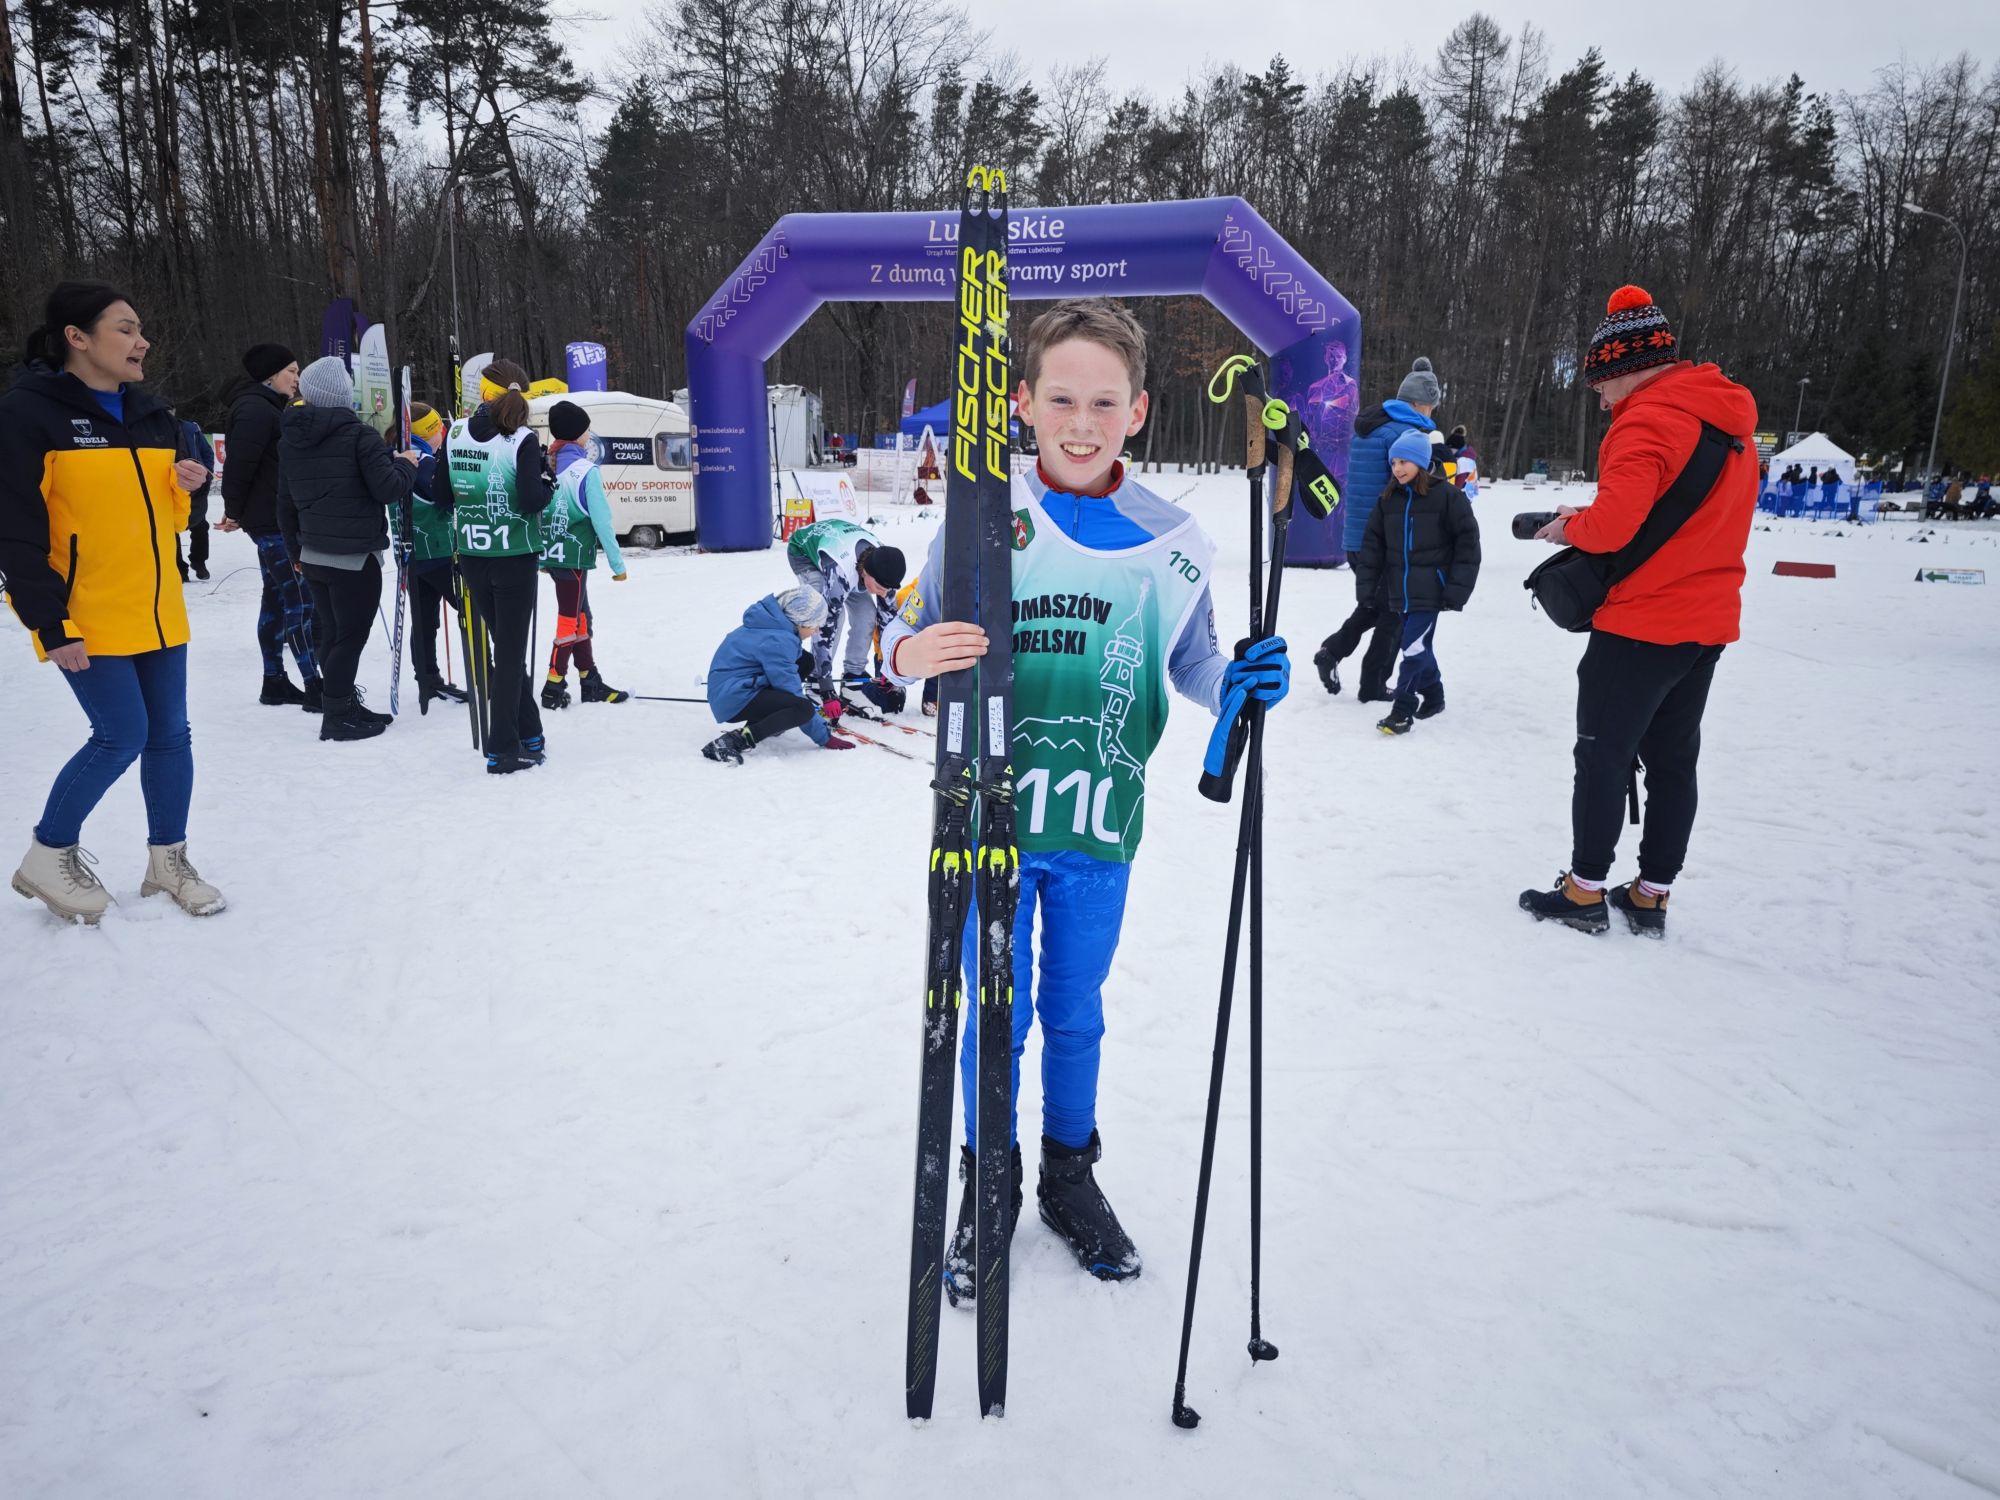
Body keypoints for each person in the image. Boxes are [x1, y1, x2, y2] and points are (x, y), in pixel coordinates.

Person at [880, 298, 1290, 1297]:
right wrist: (907, 655)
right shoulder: (980, 516)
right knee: (995, 1013)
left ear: (1137, 411)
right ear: (1022, 403)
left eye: (1104, 401)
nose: (1080, 420)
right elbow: (905, 632)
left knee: (1073, 1011)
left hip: (1100, 823)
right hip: (987, 820)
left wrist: (1238, 685)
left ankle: (1068, 1174)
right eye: (1060, 398)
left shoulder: (1171, 540)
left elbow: (1191, 663)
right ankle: (990, 1177)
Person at [1519, 285, 1758, 938]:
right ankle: (1651, 894)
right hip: (1706, 623)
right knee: (1674, 763)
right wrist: (1592, 515)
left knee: (1603, 755)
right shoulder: (1727, 421)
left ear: (1628, 367)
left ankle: (1583, 891)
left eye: (1601, 384)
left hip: (1642, 625)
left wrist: (1571, 528)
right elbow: (1681, 517)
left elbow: (1613, 528)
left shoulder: (1649, 421)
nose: (1601, 400)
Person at [1, 281, 226, 921]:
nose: (141, 341)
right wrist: (51, 623)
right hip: (85, 615)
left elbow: (169, 523)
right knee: (122, 734)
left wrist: (185, 488)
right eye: (125, 329)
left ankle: (167, 861)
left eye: (139, 329)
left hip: (158, 609)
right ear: (77, 337)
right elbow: (16, 533)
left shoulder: (153, 414)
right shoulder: (27, 414)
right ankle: (48, 853)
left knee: (171, 736)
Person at [275, 357, 423, 742]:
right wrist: (407, 465)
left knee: (333, 633)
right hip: (354, 557)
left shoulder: (291, 439)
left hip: (314, 554)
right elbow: (388, 488)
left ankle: (340, 703)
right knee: (350, 636)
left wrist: (295, 552)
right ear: (345, 395)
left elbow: (285, 503)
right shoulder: (360, 436)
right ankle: (337, 715)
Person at [432, 358, 554, 774]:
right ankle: (502, 747)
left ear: (482, 393)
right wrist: (548, 482)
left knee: (507, 647)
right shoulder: (521, 439)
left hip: (474, 556)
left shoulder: (456, 432)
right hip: (513, 556)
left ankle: (530, 730)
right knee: (509, 653)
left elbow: (441, 495)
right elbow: (532, 499)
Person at [1314, 356, 1447, 701]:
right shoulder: (1405, 434)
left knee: (1375, 606)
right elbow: (1412, 486)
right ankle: (1373, 685)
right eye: (1430, 407)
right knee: (1396, 613)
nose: (1431, 413)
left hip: (1357, 538)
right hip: (1386, 541)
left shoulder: (1371, 427)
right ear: (1419, 404)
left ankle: (1331, 652)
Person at [1353, 428, 1482, 734]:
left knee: (1412, 648)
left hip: (1431, 590)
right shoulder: (1388, 500)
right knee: (1418, 645)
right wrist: (1367, 588)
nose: (1397, 468)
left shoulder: (1448, 497)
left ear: (1421, 463)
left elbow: (1468, 545)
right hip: (1399, 591)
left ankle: (1402, 710)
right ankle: (1434, 696)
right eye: (1394, 462)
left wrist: (1457, 589)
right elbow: (1372, 548)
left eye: (1404, 462)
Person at [219, 342, 323, 710]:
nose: (297, 378)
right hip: (272, 523)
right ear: (270, 374)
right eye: (291, 371)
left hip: (273, 518)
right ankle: (315, 686)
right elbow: (239, 465)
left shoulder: (266, 406)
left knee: (277, 598)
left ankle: (274, 680)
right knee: (300, 601)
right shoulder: (255, 409)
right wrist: (234, 511)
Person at [537, 400, 630, 709]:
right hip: (574, 558)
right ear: (578, 435)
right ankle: (553, 685)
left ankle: (590, 681)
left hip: (554, 556)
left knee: (580, 618)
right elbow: (602, 521)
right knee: (569, 621)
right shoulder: (586, 471)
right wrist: (617, 564)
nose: (589, 434)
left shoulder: (546, 465)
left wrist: (542, 557)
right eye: (587, 429)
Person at [699, 587, 854, 762]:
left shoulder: (773, 626)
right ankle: (736, 740)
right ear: (801, 621)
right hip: (733, 698)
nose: (816, 631)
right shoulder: (778, 640)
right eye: (815, 625)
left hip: (736, 688)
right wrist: (824, 737)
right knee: (802, 709)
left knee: (805, 661)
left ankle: (769, 721)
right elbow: (791, 690)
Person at [399, 401, 470, 714]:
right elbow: (444, 496)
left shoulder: (400, 454)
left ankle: (428, 677)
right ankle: (487, 673)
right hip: (437, 551)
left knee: (425, 619)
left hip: (412, 553)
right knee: (472, 609)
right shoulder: (424, 460)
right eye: (439, 429)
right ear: (430, 432)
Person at [785, 516, 905, 699]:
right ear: (866, 573)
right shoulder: (840, 574)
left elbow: (887, 623)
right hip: (804, 552)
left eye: (886, 589)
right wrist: (825, 686)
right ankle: (815, 679)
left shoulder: (885, 570)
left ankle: (853, 675)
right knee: (833, 615)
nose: (883, 593)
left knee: (867, 614)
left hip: (848, 554)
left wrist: (887, 670)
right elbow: (824, 630)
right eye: (879, 587)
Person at [174, 414, 215, 582]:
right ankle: (179, 568)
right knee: (170, 529)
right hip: (168, 486)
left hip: (196, 486)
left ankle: (199, 562)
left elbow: (207, 452)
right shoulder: (153, 429)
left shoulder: (191, 428)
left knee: (200, 525)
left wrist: (207, 474)